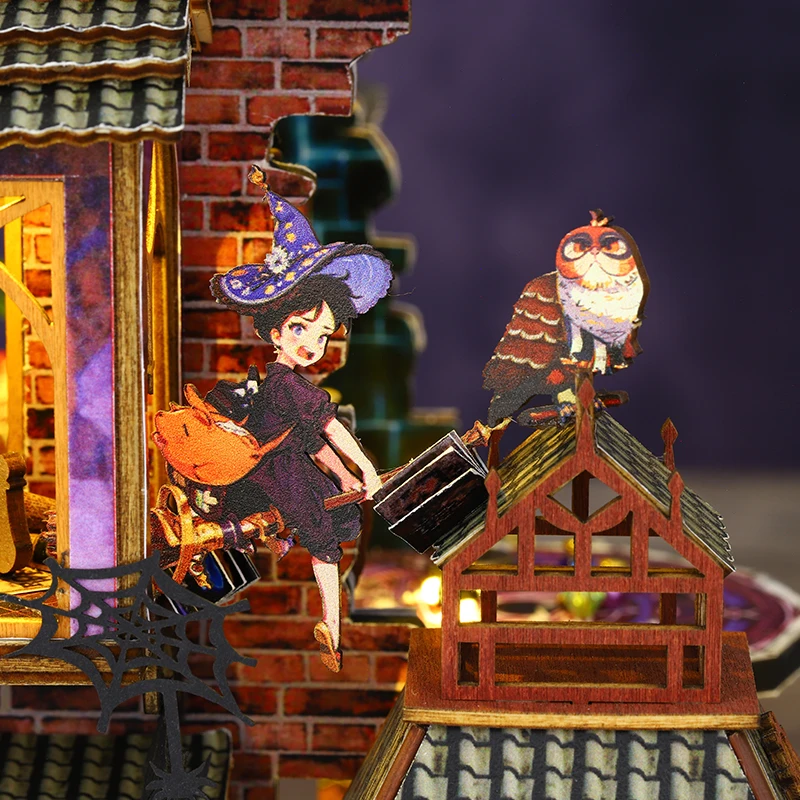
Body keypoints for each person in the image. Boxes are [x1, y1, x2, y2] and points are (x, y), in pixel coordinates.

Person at [208, 176, 393, 672]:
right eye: (300, 328)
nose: (312, 343)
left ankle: (332, 624)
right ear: (275, 331)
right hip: (266, 471)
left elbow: (314, 440)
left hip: (287, 464)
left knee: (336, 518)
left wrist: (346, 476)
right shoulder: (284, 383)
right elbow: (330, 430)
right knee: (323, 537)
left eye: (324, 334)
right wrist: (366, 470)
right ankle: (332, 626)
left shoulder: (292, 388)